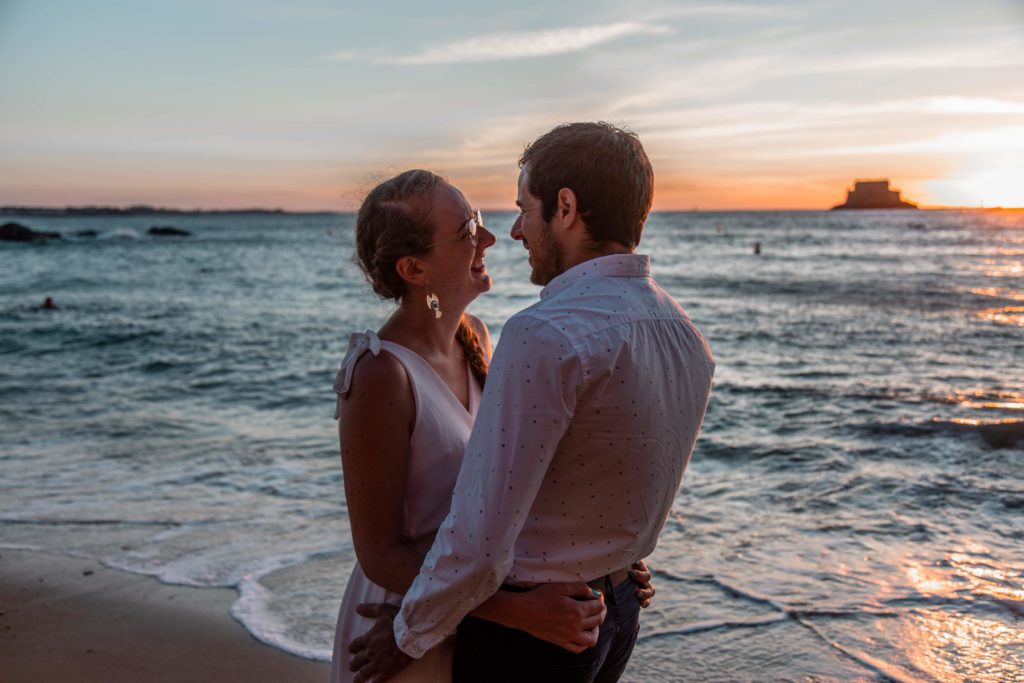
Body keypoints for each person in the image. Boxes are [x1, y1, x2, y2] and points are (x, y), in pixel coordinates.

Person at [349, 122, 715, 683]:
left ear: (564, 208)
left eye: (523, 208)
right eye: (469, 228)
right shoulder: (682, 330)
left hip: (540, 622)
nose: (506, 233)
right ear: (412, 268)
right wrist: (606, 563)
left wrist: (406, 635)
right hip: (572, 614)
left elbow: (488, 529)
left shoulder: (534, 336)